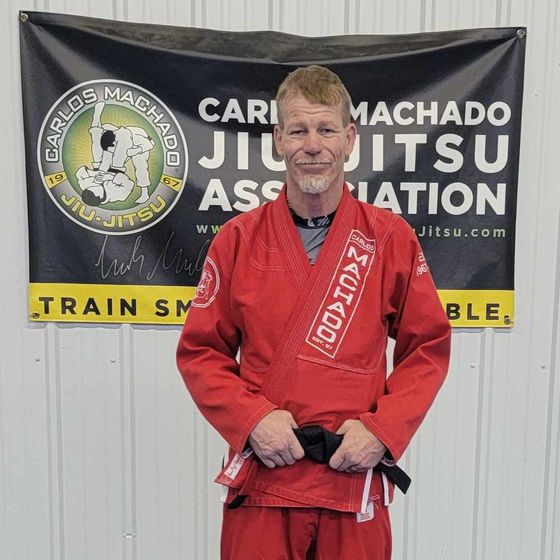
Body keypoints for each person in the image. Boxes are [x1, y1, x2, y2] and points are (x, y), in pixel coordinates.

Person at [177, 65, 451, 560]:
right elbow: (201, 352)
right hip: (264, 481)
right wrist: (252, 418)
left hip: (352, 478)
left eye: (326, 129)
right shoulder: (237, 240)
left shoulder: (390, 238)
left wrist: (383, 430)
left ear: (350, 139)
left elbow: (427, 348)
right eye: (298, 130)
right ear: (278, 139)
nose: (312, 144)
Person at [76, 101, 155, 205]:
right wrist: (111, 177)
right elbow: (129, 183)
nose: (95, 185)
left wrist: (94, 174)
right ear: (100, 196)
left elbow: (80, 173)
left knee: (99, 139)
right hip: (136, 141)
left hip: (110, 158)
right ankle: (145, 193)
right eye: (96, 188)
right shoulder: (117, 195)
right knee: (140, 163)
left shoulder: (86, 187)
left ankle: (96, 119)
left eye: (91, 186)